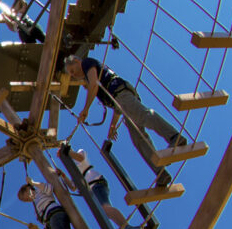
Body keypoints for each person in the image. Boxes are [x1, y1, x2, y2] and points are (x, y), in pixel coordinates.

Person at [63, 55, 186, 184]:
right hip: (120, 99)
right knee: (138, 138)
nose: (74, 75)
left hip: (121, 93)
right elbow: (118, 107)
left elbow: (94, 85)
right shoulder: (94, 77)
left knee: (143, 116)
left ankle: (174, 137)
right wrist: (113, 125)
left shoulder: (87, 63)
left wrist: (86, 109)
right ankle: (161, 172)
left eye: (72, 71)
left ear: (77, 61)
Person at [18, 177, 85, 229]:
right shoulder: (35, 206)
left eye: (26, 197)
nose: (28, 200)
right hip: (49, 226)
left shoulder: (39, 190)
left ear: (28, 189)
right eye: (26, 200)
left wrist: (33, 183)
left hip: (54, 214)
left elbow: (49, 188)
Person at [68, 146, 127, 228]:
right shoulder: (73, 171)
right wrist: (62, 176)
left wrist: (67, 151)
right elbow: (73, 187)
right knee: (105, 212)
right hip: (92, 189)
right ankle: (124, 227)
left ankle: (126, 226)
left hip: (96, 183)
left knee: (105, 208)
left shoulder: (80, 152)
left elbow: (81, 158)